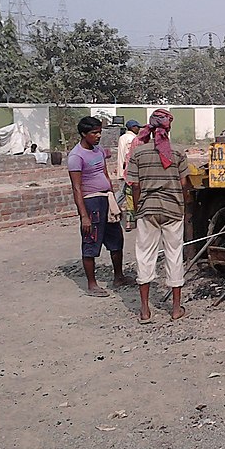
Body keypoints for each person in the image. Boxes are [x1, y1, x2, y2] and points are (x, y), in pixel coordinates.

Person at [127, 109, 193, 323]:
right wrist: (184, 205)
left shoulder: (138, 153)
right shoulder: (178, 152)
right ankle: (175, 309)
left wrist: (138, 210)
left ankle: (145, 310)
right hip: (173, 210)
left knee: (145, 256)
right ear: (168, 127)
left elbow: (135, 185)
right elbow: (185, 185)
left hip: (147, 210)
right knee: (174, 255)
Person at [67, 116, 134, 297]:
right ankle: (92, 284)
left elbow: (104, 173)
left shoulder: (97, 151)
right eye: (94, 133)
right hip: (91, 202)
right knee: (91, 241)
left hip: (107, 199)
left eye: (99, 132)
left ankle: (118, 276)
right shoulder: (76, 156)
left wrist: (113, 198)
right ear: (83, 134)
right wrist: (84, 216)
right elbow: (76, 187)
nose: (98, 136)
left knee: (116, 239)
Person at [116, 119, 141, 231]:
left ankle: (113, 210)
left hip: (123, 170)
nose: (139, 129)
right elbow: (130, 156)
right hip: (130, 171)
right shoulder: (132, 139)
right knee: (129, 196)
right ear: (132, 127)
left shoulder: (122, 138)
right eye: (137, 127)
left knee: (124, 193)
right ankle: (129, 221)